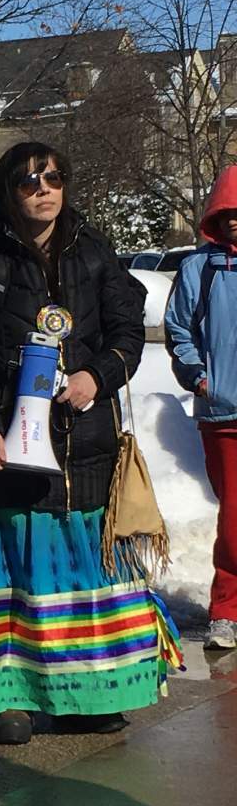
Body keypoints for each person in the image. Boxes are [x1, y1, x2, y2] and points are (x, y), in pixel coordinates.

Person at [0, 140, 182, 745]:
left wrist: (98, 375)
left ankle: (87, 695)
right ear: (6, 192)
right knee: (17, 571)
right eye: (27, 179)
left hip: (85, 443)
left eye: (53, 176)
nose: (43, 187)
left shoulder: (94, 252)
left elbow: (126, 331)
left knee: (81, 571)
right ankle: (12, 697)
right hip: (10, 444)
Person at [164, 165, 237, 650]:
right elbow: (178, 330)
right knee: (234, 515)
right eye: (226, 213)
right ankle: (226, 611)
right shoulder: (199, 269)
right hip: (223, 413)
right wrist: (199, 377)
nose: (234, 221)